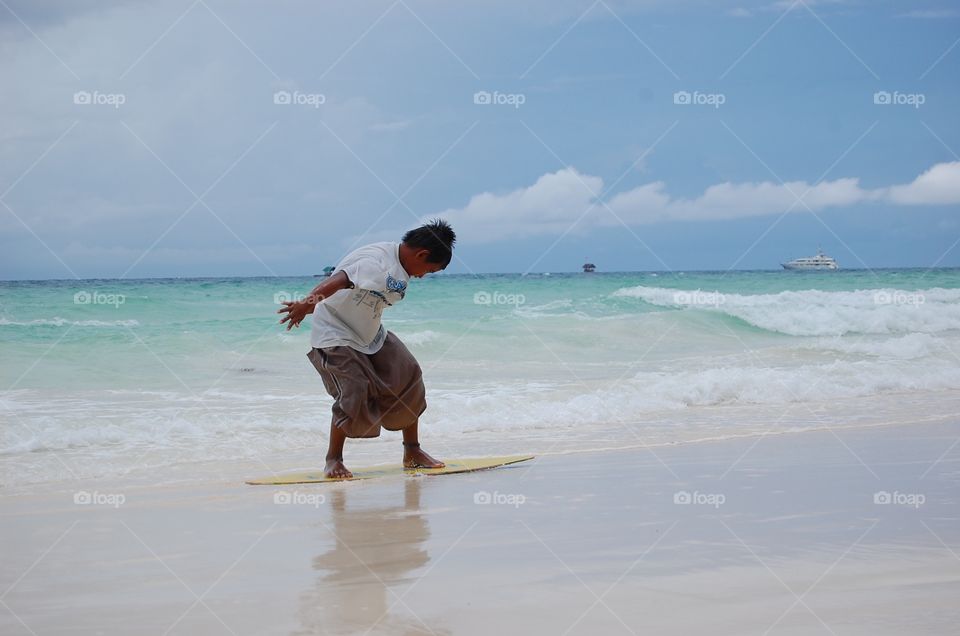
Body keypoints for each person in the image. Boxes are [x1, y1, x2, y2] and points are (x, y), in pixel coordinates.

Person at [277, 219, 455, 478]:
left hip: (370, 333)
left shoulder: (401, 266)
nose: (423, 275)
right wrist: (307, 304)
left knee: (409, 374)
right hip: (335, 333)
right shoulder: (376, 261)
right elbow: (340, 279)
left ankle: (412, 451)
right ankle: (333, 459)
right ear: (422, 254)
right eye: (429, 270)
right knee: (355, 390)